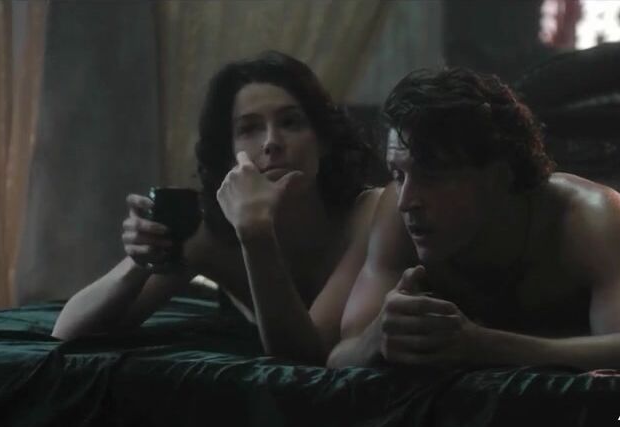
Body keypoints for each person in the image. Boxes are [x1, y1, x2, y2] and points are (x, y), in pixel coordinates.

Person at [327, 67, 620, 375]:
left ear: (498, 177)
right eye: (398, 174)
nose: (407, 200)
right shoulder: (399, 210)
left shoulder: (589, 219)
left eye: (433, 174)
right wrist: (377, 336)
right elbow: (341, 357)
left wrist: (484, 346)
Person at [52, 51, 383, 366]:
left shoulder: (369, 214)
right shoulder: (210, 230)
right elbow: (69, 330)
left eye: (291, 122)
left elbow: (310, 355)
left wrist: (255, 233)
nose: (271, 141)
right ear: (228, 154)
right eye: (249, 128)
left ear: (322, 141)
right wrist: (140, 262)